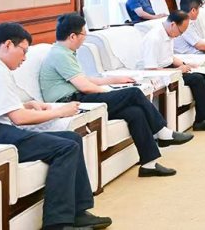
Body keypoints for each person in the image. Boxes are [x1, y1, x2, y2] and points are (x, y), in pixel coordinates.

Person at [0, 23, 112, 230]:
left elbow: (4, 108)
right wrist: (59, 111)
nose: (24, 58)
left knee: (72, 138)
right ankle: (57, 223)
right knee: (66, 148)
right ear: (8, 45)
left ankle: (78, 212)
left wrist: (27, 105)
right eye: (23, 51)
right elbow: (19, 119)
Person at [39, 13, 192, 178]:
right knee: (133, 93)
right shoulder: (60, 55)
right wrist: (112, 93)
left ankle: (149, 164)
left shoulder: (66, 53)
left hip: (78, 97)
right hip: (70, 102)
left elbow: (84, 79)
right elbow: (85, 87)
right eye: (84, 34)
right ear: (72, 36)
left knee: (135, 113)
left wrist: (114, 80)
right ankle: (162, 132)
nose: (84, 39)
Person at [138, 11, 205, 132]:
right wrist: (176, 70)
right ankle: (203, 121)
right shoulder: (154, 38)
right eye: (181, 32)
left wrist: (184, 64)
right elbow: (150, 69)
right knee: (197, 79)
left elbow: (169, 57)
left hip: (169, 68)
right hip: (158, 74)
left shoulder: (169, 33)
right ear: (173, 24)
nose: (180, 35)